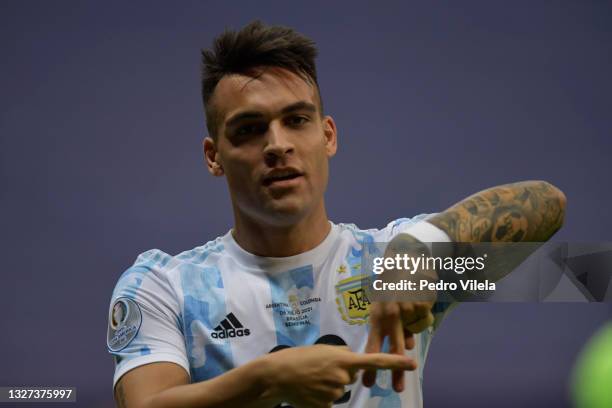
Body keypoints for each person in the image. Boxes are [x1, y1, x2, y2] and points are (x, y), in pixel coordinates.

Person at [106, 20, 566, 408]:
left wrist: (421, 249)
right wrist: (267, 379)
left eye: (297, 120)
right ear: (214, 156)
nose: (277, 144)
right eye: (249, 129)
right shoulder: (164, 286)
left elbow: (551, 211)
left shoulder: (393, 261)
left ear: (328, 136)